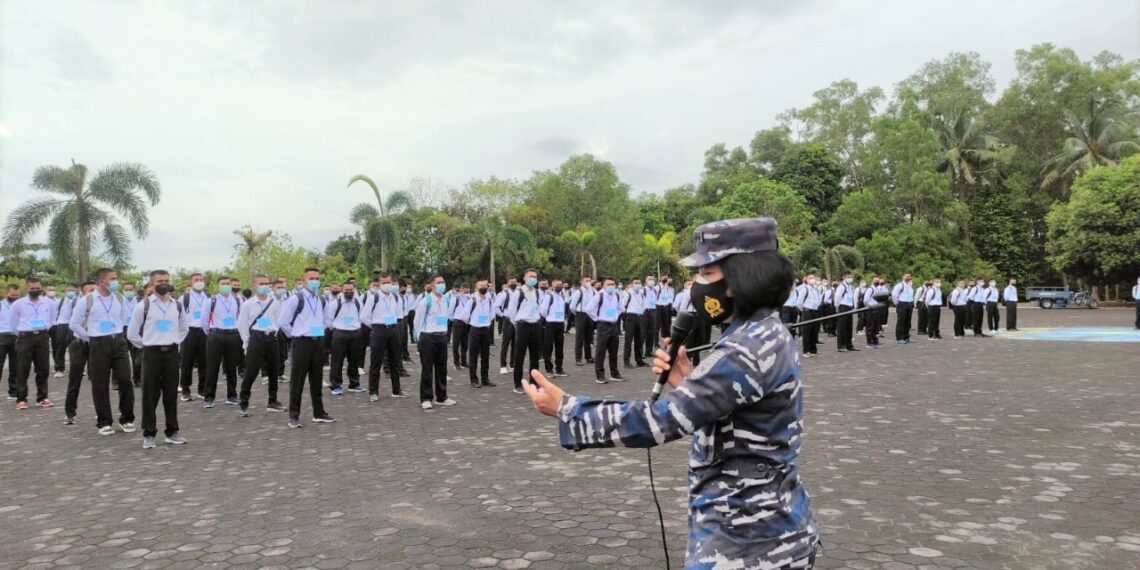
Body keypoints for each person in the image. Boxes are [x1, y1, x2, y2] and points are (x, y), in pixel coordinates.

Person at [521, 217, 819, 569]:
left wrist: (568, 408)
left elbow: (657, 421)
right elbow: (739, 415)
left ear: (742, 278)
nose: (697, 286)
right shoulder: (762, 331)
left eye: (707, 275)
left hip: (747, 543)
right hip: (763, 524)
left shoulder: (745, 349)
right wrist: (690, 382)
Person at [127, 269, 189, 448]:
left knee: (170, 394)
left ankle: (172, 431)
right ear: (152, 284)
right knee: (150, 395)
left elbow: (184, 328)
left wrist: (175, 342)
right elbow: (132, 333)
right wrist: (147, 344)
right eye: (160, 280)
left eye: (167, 280)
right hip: (151, 354)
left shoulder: (177, 305)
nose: (164, 283)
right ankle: (149, 433)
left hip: (171, 353)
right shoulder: (144, 306)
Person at [68, 269, 134, 434]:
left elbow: (126, 319)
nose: (115, 281)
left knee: (125, 380)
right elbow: (74, 324)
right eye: (112, 279)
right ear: (102, 281)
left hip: (118, 342)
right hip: (98, 344)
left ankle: (127, 418)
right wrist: (90, 338)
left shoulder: (119, 297)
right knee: (100, 384)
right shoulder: (87, 300)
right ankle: (104, 421)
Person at [277, 268, 337, 428]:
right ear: (304, 280)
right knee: (297, 381)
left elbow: (326, 320)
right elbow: (283, 321)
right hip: (301, 343)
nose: (315, 281)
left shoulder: (322, 299)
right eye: (311, 278)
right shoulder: (296, 298)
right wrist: (296, 334)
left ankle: (319, 413)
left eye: (317, 278)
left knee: (317, 379)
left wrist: (318, 331)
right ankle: (294, 416)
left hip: (317, 343)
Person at [236, 274, 285, 415]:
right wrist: (246, 342)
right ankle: (244, 401)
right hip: (255, 339)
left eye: (266, 283)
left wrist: (274, 333)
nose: (264, 286)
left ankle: (273, 401)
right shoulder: (248, 304)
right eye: (261, 283)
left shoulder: (273, 302)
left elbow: (277, 320)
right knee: (251, 371)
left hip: (271, 339)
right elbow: (242, 324)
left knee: (273, 370)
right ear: (254, 286)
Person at [11, 278, 58, 410]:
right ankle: (21, 399)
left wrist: (45, 328)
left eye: (37, 288)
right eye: (32, 288)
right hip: (25, 338)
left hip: (42, 337)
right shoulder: (18, 304)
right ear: (27, 289)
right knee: (22, 369)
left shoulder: (48, 302)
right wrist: (24, 333)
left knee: (43, 369)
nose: (35, 291)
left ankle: (42, 397)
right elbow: (14, 323)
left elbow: (53, 318)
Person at [363, 272, 410, 401]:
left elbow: (399, 314)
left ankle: (396, 389)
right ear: (379, 284)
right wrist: (376, 327)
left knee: (395, 360)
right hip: (379, 329)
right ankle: (373, 391)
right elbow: (364, 317)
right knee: (376, 362)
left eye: (388, 282)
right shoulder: (374, 297)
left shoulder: (395, 298)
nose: (386, 285)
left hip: (393, 329)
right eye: (383, 283)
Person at [413, 276, 455, 410]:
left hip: (442, 337)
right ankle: (426, 398)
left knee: (442, 368)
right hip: (428, 337)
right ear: (432, 285)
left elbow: (446, 319)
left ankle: (442, 397)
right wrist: (420, 339)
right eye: (439, 282)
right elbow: (417, 321)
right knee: (427, 369)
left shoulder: (446, 300)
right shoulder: (426, 301)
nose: (442, 284)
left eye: (443, 282)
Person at [201, 276, 243, 407]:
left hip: (233, 335)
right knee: (212, 367)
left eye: (228, 283)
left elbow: (240, 318)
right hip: (216, 335)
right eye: (223, 284)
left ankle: (232, 395)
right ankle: (209, 397)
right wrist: (212, 333)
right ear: (218, 286)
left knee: (231, 368)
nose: (226, 286)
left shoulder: (237, 300)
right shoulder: (211, 300)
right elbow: (204, 320)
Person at [326, 280, 364, 395]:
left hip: (355, 334)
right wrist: (338, 329)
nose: (349, 292)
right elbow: (329, 320)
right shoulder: (335, 304)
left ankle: (354, 383)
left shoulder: (358, 302)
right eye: (346, 290)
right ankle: (336, 385)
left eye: (351, 290)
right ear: (342, 290)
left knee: (354, 360)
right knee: (337, 361)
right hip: (340, 335)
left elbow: (361, 316)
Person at [510, 270, 544, 394]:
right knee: (519, 356)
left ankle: (534, 382)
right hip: (522, 325)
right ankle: (518, 384)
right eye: (531, 276)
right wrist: (517, 324)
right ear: (524, 277)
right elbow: (512, 311)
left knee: (535, 356)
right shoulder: (518, 293)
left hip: (535, 325)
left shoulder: (537, 293)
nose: (533, 279)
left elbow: (539, 308)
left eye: (535, 277)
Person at [584, 278, 622, 384]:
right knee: (601, 351)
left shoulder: (617, 295)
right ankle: (600, 375)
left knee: (614, 350)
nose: (611, 286)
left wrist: (615, 316)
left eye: (612, 284)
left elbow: (621, 308)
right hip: (603, 325)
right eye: (608, 284)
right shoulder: (599, 295)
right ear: (603, 285)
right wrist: (597, 318)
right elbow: (588, 309)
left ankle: (614, 373)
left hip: (614, 325)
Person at [179, 273, 210, 401]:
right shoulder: (184, 298)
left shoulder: (209, 297)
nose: (199, 282)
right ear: (191, 282)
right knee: (187, 362)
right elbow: (178, 316)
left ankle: (202, 390)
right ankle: (185, 390)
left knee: (205, 362)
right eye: (196, 280)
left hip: (204, 332)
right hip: (189, 332)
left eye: (201, 280)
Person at [463, 279, 497, 389]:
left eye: (485, 285)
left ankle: (485, 379)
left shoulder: (489, 299)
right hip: (475, 330)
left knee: (485, 356)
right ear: (476, 288)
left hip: (486, 330)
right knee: (473, 356)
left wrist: (486, 322)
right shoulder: (472, 300)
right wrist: (474, 322)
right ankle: (474, 379)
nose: (484, 287)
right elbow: (464, 316)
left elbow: (492, 314)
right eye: (481, 286)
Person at [539, 279, 567, 377]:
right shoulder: (549, 297)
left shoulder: (562, 296)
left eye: (560, 284)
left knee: (560, 347)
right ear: (552, 286)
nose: (559, 286)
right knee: (548, 347)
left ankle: (559, 369)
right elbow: (543, 311)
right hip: (550, 324)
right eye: (557, 285)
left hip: (560, 324)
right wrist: (549, 317)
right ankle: (549, 370)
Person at [1, 285, 22, 401]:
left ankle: (13, 391)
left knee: (15, 366)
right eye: (12, 295)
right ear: (6, 294)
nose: (14, 297)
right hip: (2, 337)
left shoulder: (20, 306)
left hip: (16, 337)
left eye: (17, 295)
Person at [621, 279, 647, 368]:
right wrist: (628, 313)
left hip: (639, 317)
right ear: (632, 284)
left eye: (639, 283)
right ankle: (626, 361)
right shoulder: (628, 294)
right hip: (630, 317)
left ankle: (639, 360)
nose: (638, 285)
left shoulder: (641, 294)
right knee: (628, 340)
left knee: (639, 340)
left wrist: (640, 312)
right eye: (635, 283)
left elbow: (644, 306)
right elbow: (622, 306)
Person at [496, 278, 519, 375]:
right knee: (505, 343)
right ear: (508, 284)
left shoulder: (519, 293)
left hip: (517, 321)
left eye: (514, 282)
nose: (513, 284)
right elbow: (496, 306)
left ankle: (512, 364)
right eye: (511, 282)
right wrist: (502, 315)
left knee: (515, 344)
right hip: (508, 320)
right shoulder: (504, 294)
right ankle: (503, 365)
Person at [570, 276, 595, 366]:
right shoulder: (578, 292)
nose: (588, 282)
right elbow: (572, 306)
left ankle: (588, 357)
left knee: (589, 337)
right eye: (586, 281)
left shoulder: (592, 291)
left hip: (589, 315)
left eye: (589, 280)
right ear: (581, 282)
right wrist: (578, 314)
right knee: (579, 338)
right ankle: (578, 358)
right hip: (580, 314)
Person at [121, 283, 142, 387]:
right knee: (120, 357)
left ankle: (137, 379)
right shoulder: (119, 302)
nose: (128, 291)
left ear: (134, 290)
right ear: (123, 290)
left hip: (135, 329)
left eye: (130, 289)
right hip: (122, 329)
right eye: (126, 289)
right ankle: (118, 381)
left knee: (136, 358)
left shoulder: (139, 302)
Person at [448, 283, 471, 370]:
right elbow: (450, 311)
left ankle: (464, 361)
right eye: (464, 289)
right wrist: (454, 320)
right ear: (460, 289)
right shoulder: (456, 298)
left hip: (467, 323)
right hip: (458, 322)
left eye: (467, 289)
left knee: (465, 343)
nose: (466, 290)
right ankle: (456, 362)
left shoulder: (469, 298)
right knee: (456, 343)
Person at [797, 275, 821, 357]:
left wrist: (816, 307)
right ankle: (806, 350)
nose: (812, 280)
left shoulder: (816, 289)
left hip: (815, 311)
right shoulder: (804, 289)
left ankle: (813, 349)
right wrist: (804, 310)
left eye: (813, 278)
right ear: (806, 280)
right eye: (810, 278)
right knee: (807, 331)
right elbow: (799, 302)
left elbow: (819, 299)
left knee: (814, 331)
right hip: (807, 311)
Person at [834, 272, 858, 352]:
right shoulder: (842, 286)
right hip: (843, 307)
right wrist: (837, 306)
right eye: (848, 277)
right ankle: (841, 346)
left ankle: (849, 345)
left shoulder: (851, 287)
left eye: (851, 277)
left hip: (849, 307)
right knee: (842, 327)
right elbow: (837, 297)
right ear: (844, 277)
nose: (850, 278)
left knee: (849, 327)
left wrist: (854, 307)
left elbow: (853, 297)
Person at [890, 274, 915, 344]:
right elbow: (894, 295)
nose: (909, 277)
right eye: (907, 276)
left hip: (908, 304)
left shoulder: (909, 286)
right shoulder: (900, 285)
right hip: (901, 304)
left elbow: (910, 295)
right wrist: (897, 303)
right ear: (903, 277)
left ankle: (906, 336)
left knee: (907, 321)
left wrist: (910, 303)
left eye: (909, 276)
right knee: (901, 321)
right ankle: (899, 337)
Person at [863, 277, 883, 348]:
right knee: (870, 326)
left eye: (878, 280)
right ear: (872, 281)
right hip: (871, 309)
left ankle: (875, 341)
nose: (877, 281)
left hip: (876, 308)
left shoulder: (877, 289)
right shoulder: (870, 289)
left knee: (875, 326)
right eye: (875, 280)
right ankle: (869, 342)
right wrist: (869, 307)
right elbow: (865, 300)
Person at [641, 274, 659, 356]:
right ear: (646, 281)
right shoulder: (643, 290)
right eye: (649, 279)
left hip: (653, 311)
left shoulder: (655, 290)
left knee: (651, 332)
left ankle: (649, 351)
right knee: (642, 332)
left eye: (652, 279)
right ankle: (640, 352)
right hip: (645, 312)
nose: (651, 281)